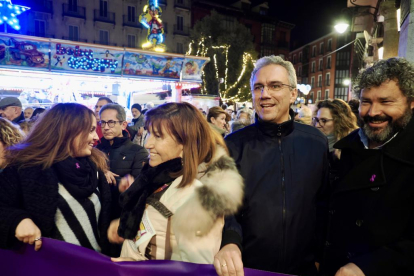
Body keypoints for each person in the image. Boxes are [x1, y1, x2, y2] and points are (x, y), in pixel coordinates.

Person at [215, 55, 329, 276]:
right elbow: (224, 206)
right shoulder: (233, 144)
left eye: (275, 86)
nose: (264, 95)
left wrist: (320, 256)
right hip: (248, 269)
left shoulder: (316, 141)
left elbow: (323, 202)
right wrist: (230, 241)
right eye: (258, 87)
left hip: (304, 269)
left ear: (293, 93)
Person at [108, 102, 244, 264]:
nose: (148, 144)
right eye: (150, 134)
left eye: (158, 136)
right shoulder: (156, 180)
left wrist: (137, 267)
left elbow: (195, 270)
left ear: (184, 143)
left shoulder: (196, 201)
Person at [321, 58, 414, 276]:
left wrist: (369, 266)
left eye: (386, 102)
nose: (373, 112)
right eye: (366, 101)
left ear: (411, 102)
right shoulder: (345, 149)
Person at [0, 103, 112, 255]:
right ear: (68, 130)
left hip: (94, 264)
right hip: (48, 265)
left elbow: (103, 219)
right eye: (91, 130)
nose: (96, 137)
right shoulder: (22, 170)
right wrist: (17, 220)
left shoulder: (94, 168)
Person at [96, 103, 148, 220]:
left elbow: (138, 190)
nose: (106, 127)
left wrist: (114, 182)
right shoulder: (95, 151)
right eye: (103, 123)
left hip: (121, 217)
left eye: (111, 122)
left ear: (123, 125)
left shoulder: (138, 152)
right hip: (97, 217)